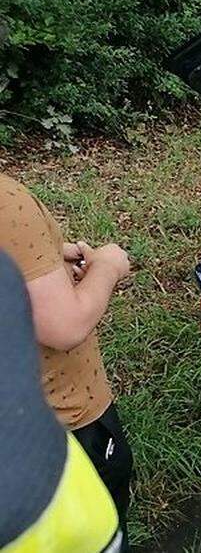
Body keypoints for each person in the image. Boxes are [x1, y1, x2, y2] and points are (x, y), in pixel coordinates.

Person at [0, 172, 133, 544]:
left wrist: (44, 260)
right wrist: (108, 265)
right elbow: (65, 326)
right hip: (62, 424)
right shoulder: (4, 200)